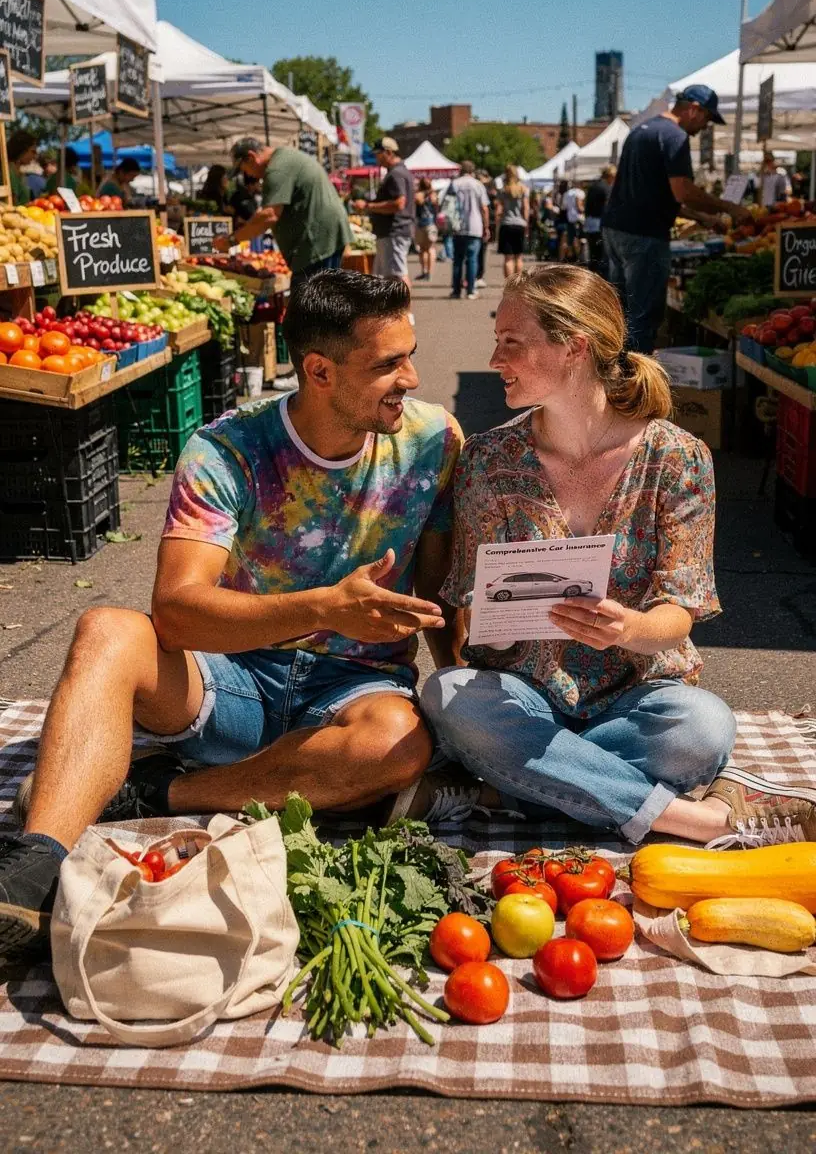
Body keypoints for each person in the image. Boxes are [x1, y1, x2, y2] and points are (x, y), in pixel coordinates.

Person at [1, 271, 465, 959]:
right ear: (319, 371)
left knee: (396, 742)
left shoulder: (434, 442)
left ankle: (163, 791)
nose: (412, 378)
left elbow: (438, 597)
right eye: (388, 364)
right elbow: (177, 614)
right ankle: (35, 868)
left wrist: (467, 706)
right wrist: (324, 608)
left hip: (354, 693)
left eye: (410, 356)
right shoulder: (227, 449)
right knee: (106, 630)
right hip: (230, 680)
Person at [418, 264, 816, 847]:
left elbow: (679, 610)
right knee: (448, 696)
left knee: (703, 729)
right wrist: (498, 624)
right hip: (526, 695)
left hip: (638, 694)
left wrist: (628, 628)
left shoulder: (677, 458)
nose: (496, 358)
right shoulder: (488, 459)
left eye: (512, 342)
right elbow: (473, 609)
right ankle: (688, 818)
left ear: (575, 347)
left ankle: (510, 789)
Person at [602, 85, 737, 353]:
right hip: (644, 235)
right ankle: (634, 377)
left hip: (616, 230)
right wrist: (729, 207)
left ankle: (613, 371)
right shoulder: (675, 136)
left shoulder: (640, 131)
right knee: (643, 318)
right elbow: (683, 191)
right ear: (694, 109)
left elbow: (654, 195)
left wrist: (701, 217)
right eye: (707, 118)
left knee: (621, 313)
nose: (705, 127)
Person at [227, 138, 351, 291]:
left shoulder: (277, 168)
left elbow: (270, 215)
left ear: (251, 157)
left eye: (243, 168)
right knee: (322, 296)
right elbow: (267, 212)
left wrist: (231, 240)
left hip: (316, 244)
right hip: (324, 238)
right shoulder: (284, 158)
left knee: (308, 299)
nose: (247, 174)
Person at [352, 138, 415, 287]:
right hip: (394, 231)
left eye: (378, 154)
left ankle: (405, 303)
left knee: (398, 276)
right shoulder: (399, 172)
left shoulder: (396, 174)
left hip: (394, 231)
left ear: (389, 152)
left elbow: (399, 203)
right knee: (390, 277)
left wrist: (368, 206)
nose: (376, 158)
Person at [448, 161, 490, 300]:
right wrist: (486, 226)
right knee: (472, 259)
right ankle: (471, 290)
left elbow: (447, 204)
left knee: (458, 260)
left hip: (457, 226)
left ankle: (456, 291)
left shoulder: (454, 184)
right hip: (474, 226)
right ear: (472, 171)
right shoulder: (478, 185)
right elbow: (484, 208)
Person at [496, 165, 529, 279]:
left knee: (508, 258)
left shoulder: (503, 190)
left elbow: (499, 209)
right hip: (520, 224)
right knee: (519, 256)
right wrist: (526, 223)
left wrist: (498, 223)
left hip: (506, 224)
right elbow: (526, 208)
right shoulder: (523, 189)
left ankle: (509, 283)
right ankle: (518, 283)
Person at [584, 165, 615, 274]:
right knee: (602, 254)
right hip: (599, 222)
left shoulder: (593, 186)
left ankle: (592, 274)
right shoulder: (606, 188)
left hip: (590, 222)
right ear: (610, 176)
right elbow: (608, 207)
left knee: (593, 253)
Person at [414, 177, 439, 283]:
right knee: (430, 249)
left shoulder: (418, 194)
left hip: (420, 224)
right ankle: (429, 273)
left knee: (423, 249)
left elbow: (417, 200)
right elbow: (436, 204)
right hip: (431, 224)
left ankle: (425, 271)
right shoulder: (433, 194)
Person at [6, 131, 37, 205]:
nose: (35, 156)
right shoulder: (8, 172)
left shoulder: (18, 173)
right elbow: (12, 205)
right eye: (33, 151)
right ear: (22, 150)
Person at [559, 181, 584, 262]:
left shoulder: (567, 194)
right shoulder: (580, 193)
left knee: (570, 239)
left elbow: (563, 207)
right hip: (579, 219)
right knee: (578, 238)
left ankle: (570, 257)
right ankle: (579, 257)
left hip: (570, 219)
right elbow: (580, 207)